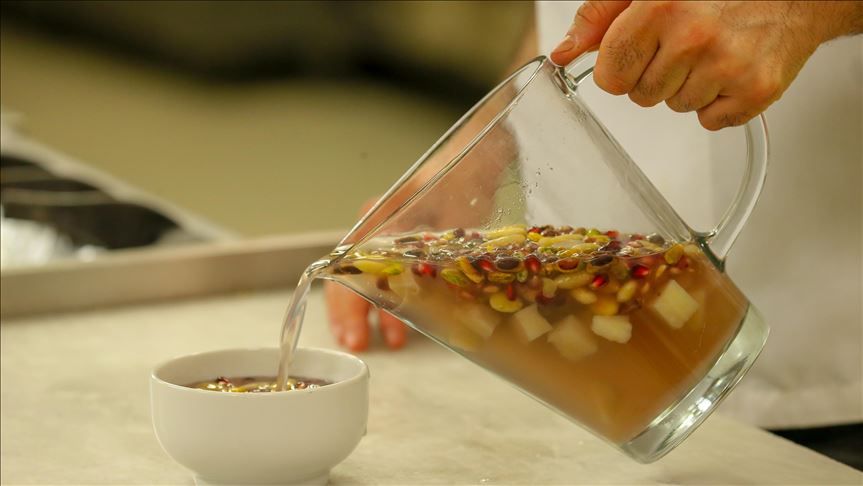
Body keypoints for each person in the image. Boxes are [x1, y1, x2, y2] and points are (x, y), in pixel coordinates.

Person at [325, 0, 862, 467]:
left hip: (836, 372)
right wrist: (481, 153)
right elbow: (567, 20)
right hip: (593, 399)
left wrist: (796, 11)